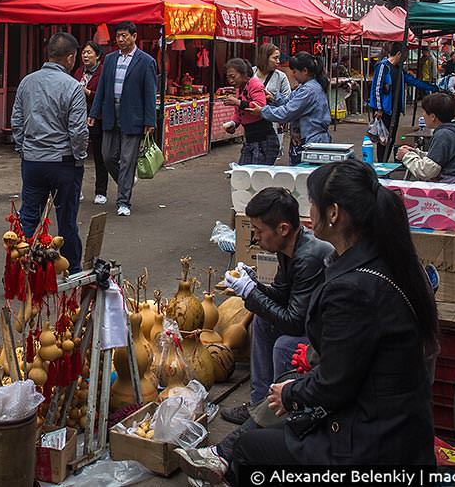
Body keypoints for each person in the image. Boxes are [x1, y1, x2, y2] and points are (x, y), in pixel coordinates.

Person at [176, 160, 438, 480]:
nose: (308, 213)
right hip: (387, 422)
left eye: (312, 204)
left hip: (371, 441)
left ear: (333, 213)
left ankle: (227, 455)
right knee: (281, 389)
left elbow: (334, 382)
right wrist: (254, 290)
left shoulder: (353, 287)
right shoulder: (379, 261)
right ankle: (223, 452)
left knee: (252, 450)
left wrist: (291, 394)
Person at [219, 187, 333, 426]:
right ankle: (260, 404)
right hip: (308, 322)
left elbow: (293, 322)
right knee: (262, 321)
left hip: (326, 334)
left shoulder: (308, 256)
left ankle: (279, 417)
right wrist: (253, 285)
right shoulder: (287, 248)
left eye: (259, 231)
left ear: (283, 229)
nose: (255, 237)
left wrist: (250, 293)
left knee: (284, 344)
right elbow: (281, 294)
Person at [11, 32, 88, 266]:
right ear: (71, 58)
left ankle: (18, 268)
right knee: (66, 221)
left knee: (28, 217)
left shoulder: (27, 82)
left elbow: (16, 120)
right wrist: (79, 157)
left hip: (33, 161)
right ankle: (72, 270)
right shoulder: (73, 87)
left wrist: (23, 148)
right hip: (63, 162)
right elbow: (78, 131)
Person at [90, 20, 158, 217]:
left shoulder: (146, 61)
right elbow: (102, 88)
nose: (120, 40)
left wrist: (150, 121)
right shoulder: (110, 60)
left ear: (134, 36)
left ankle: (123, 201)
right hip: (111, 113)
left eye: (124, 36)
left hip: (133, 116)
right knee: (107, 155)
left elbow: (149, 94)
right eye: (118, 36)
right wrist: (94, 113)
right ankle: (126, 181)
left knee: (128, 160)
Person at [366, 42, 439, 163]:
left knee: (391, 138)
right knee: (383, 140)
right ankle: (381, 164)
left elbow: (412, 80)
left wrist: (433, 88)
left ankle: (383, 163)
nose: (405, 60)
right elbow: (376, 88)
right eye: (404, 56)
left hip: (395, 110)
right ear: (399, 54)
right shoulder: (383, 66)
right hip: (384, 110)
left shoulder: (399, 69)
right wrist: (379, 109)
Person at [259, 53, 333, 164]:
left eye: (294, 71)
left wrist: (261, 111)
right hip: (307, 140)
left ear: (305, 71)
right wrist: (273, 98)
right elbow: (289, 101)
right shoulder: (305, 87)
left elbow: (286, 113)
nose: (293, 75)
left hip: (312, 142)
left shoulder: (309, 90)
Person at [395, 92, 455, 184]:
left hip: (454, 188)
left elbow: (426, 171)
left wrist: (406, 156)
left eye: (424, 112)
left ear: (433, 116)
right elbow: (439, 158)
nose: (423, 115)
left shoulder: (443, 135)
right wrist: (416, 153)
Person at [73, 41, 111, 204]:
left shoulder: (104, 72)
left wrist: (88, 92)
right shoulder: (79, 71)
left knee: (99, 155)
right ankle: (76, 189)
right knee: (77, 154)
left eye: (89, 53)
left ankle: (101, 191)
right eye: (83, 53)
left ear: (98, 55)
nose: (85, 56)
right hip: (79, 117)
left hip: (98, 118)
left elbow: (106, 96)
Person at [223, 58, 274, 164]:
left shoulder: (255, 85)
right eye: (228, 77)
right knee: (244, 173)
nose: (230, 81)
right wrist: (233, 124)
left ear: (243, 74)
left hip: (263, 139)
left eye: (233, 77)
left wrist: (238, 102)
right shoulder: (240, 88)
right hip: (250, 139)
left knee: (256, 175)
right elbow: (238, 113)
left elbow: (260, 106)